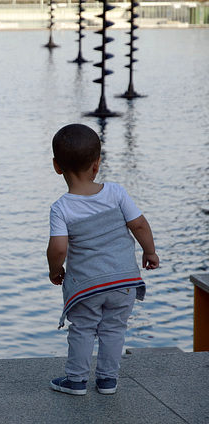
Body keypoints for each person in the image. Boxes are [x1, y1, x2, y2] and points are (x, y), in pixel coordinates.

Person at [46, 124, 159, 396]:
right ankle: (108, 381)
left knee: (83, 329)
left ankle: (76, 381)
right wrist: (150, 252)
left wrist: (55, 269)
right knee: (114, 329)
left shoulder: (61, 208)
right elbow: (140, 225)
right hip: (124, 281)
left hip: (88, 286)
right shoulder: (117, 193)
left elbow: (58, 247)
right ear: (97, 165)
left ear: (56, 166)